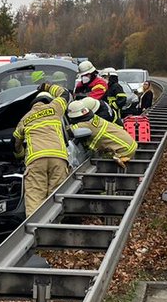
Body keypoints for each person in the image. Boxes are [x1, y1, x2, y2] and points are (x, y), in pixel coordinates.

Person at [13, 84, 71, 216]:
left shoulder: (25, 118)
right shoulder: (55, 108)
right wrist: (48, 86)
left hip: (36, 159)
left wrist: (20, 155)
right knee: (56, 199)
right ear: (49, 100)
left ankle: (35, 232)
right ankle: (55, 229)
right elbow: (65, 94)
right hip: (58, 158)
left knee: (35, 199)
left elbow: (15, 141)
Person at [66, 97, 137, 166]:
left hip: (124, 151)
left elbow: (69, 131)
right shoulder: (94, 117)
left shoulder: (86, 124)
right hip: (130, 144)